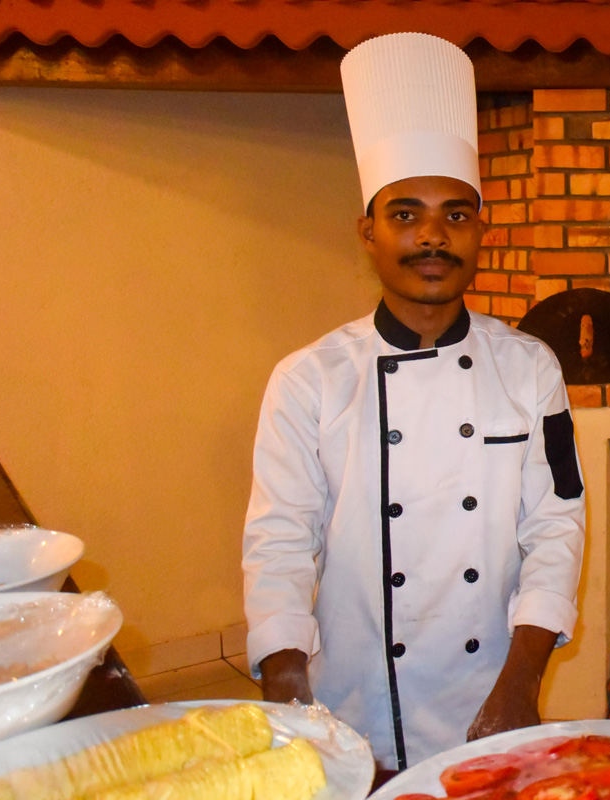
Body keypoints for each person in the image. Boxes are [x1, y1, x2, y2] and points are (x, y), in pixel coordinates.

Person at [241, 32, 585, 770]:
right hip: (354, 702)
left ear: (482, 231)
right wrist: (287, 686)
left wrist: (522, 682)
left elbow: (556, 527)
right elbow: (280, 541)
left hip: (490, 693)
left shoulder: (531, 368)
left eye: (456, 215)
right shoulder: (308, 378)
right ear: (368, 232)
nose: (433, 236)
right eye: (405, 214)